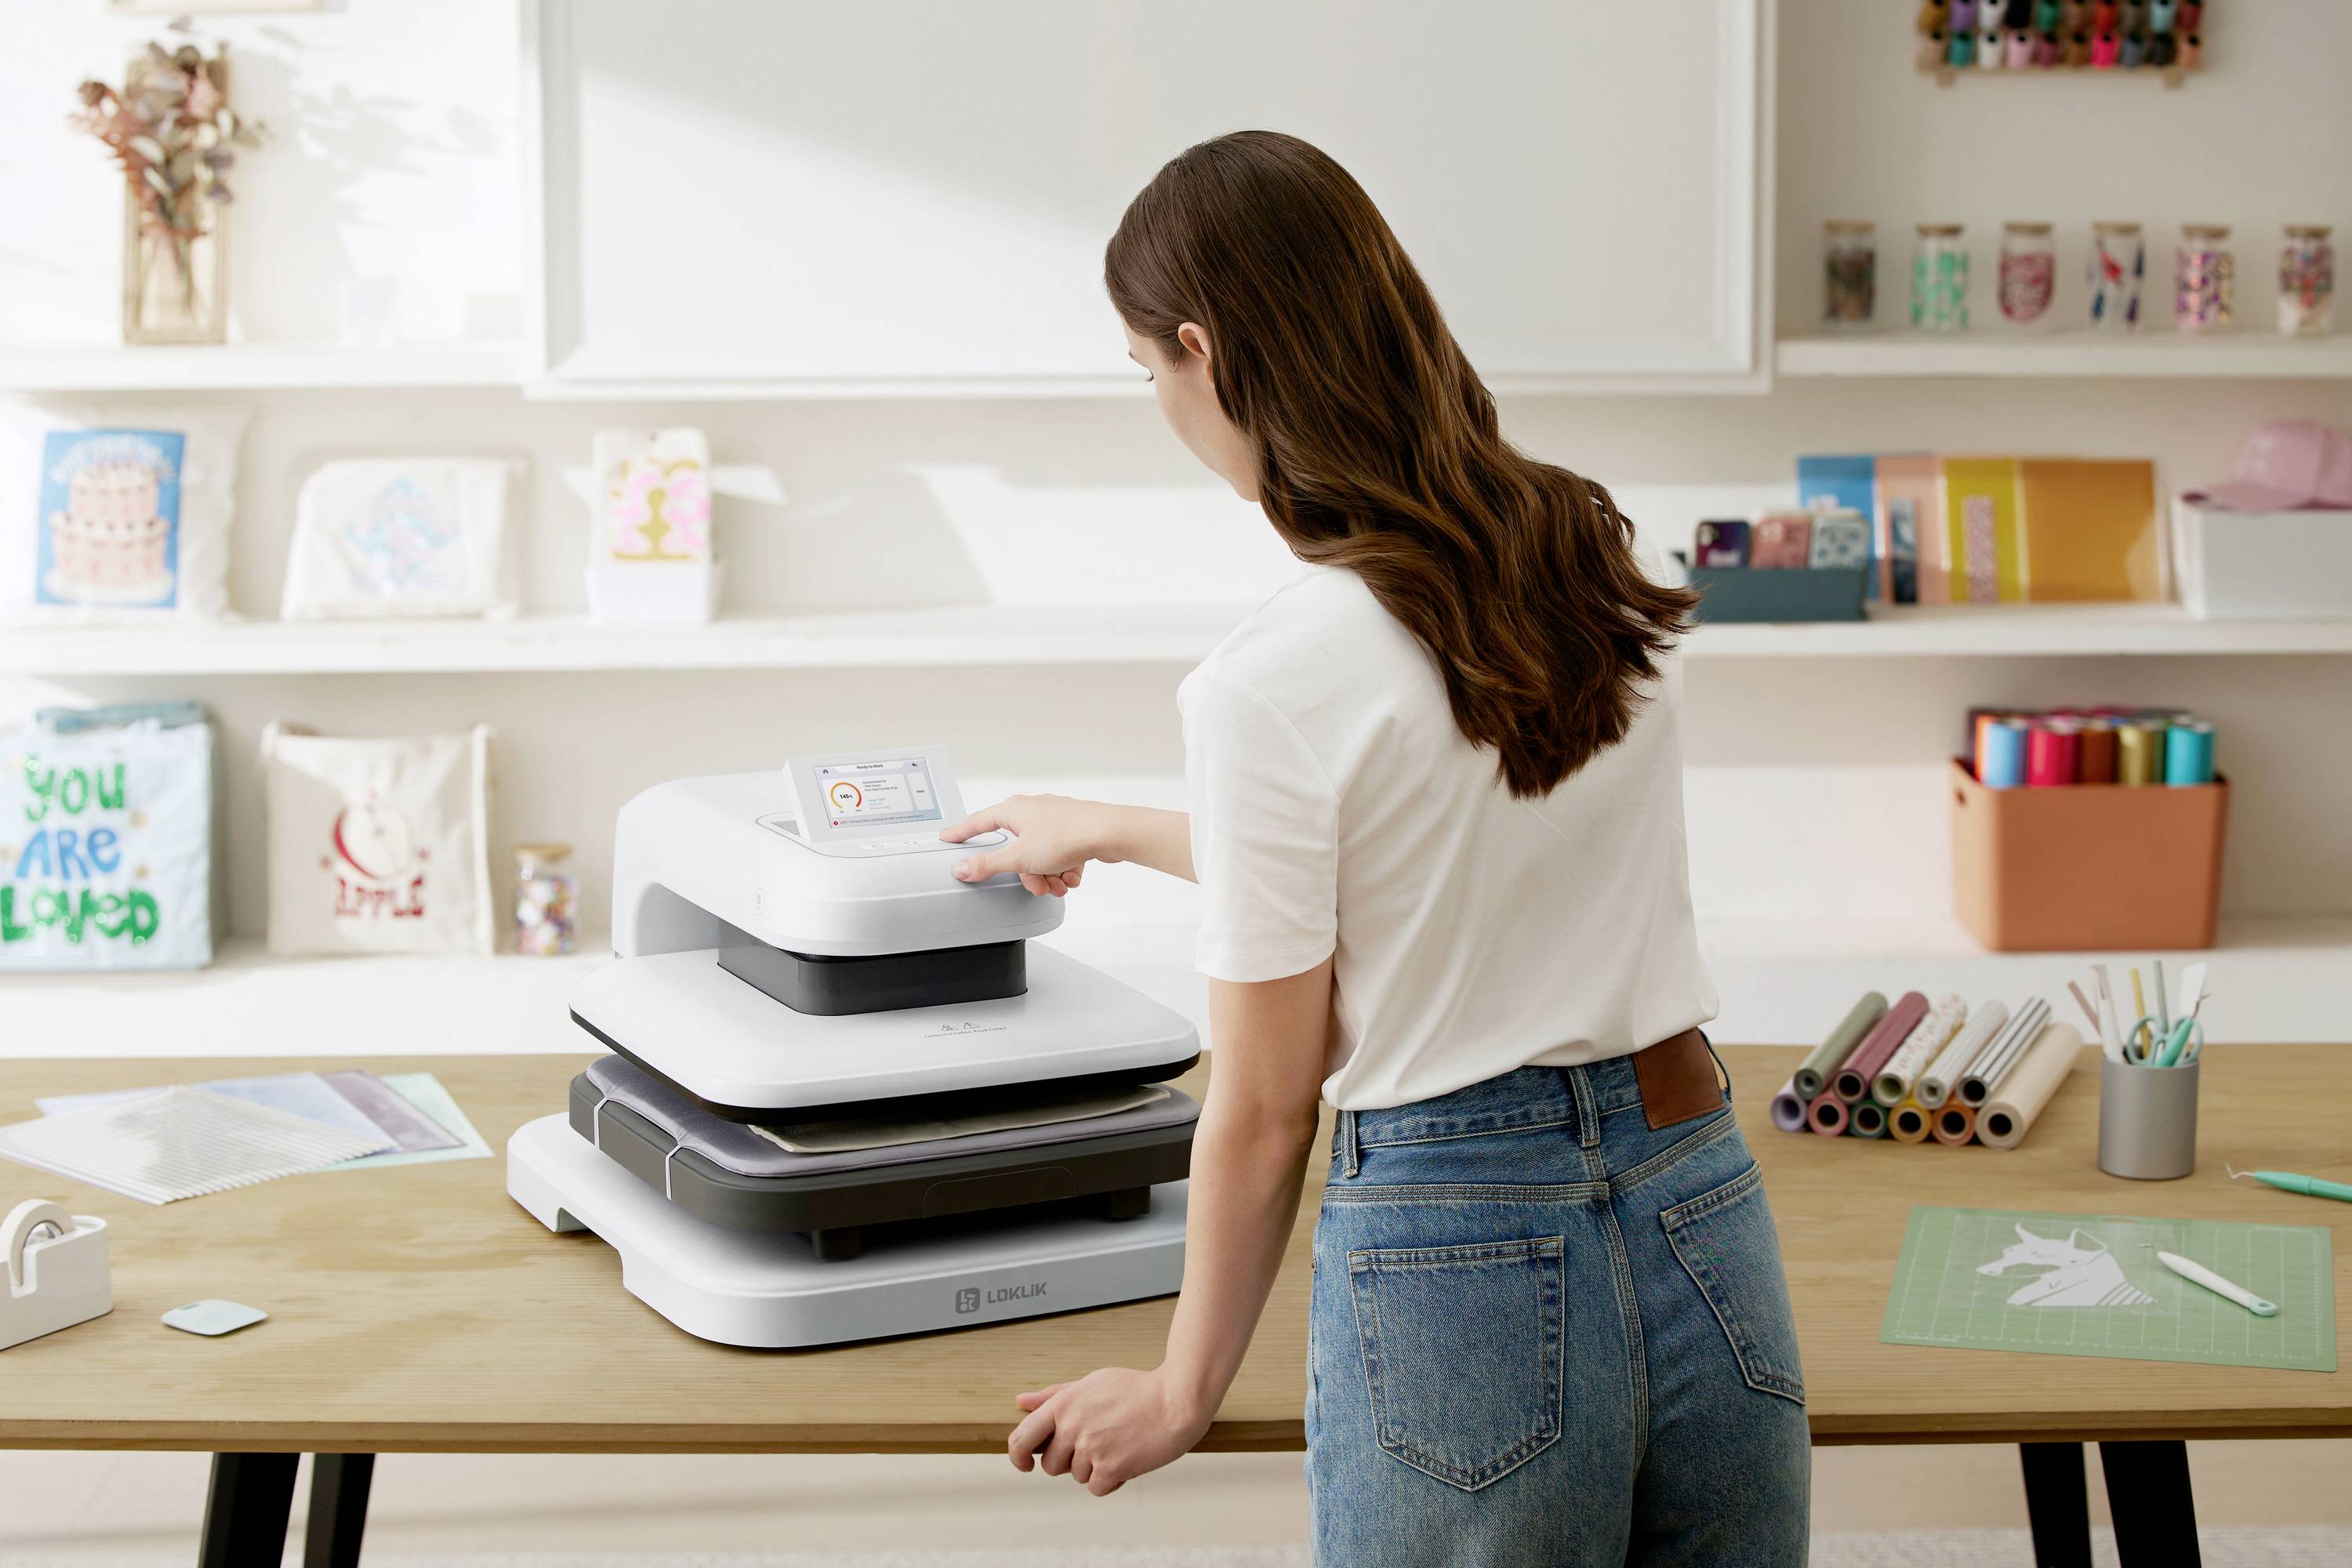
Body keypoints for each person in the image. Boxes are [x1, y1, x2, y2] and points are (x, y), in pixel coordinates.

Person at [938, 130, 1809, 1566]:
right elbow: (1451, 858)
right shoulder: (1588, 548)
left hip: (1464, 1243)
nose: (1158, 401)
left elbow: (1269, 1107)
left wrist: (1183, 1387)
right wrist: (1125, 828)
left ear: (1206, 354)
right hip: (1698, 1198)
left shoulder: (1266, 683)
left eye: (1147, 368)